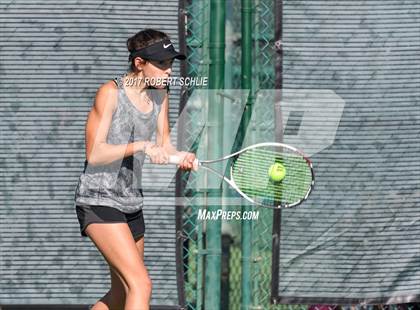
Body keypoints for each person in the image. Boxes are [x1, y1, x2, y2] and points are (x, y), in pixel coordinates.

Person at [73, 28, 196, 310]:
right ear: (140, 64)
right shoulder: (110, 93)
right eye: (162, 64)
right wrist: (141, 145)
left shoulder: (160, 94)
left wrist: (182, 157)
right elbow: (95, 153)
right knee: (141, 284)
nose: (168, 71)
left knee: (121, 294)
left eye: (171, 64)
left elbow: (163, 146)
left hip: (131, 202)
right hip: (97, 199)